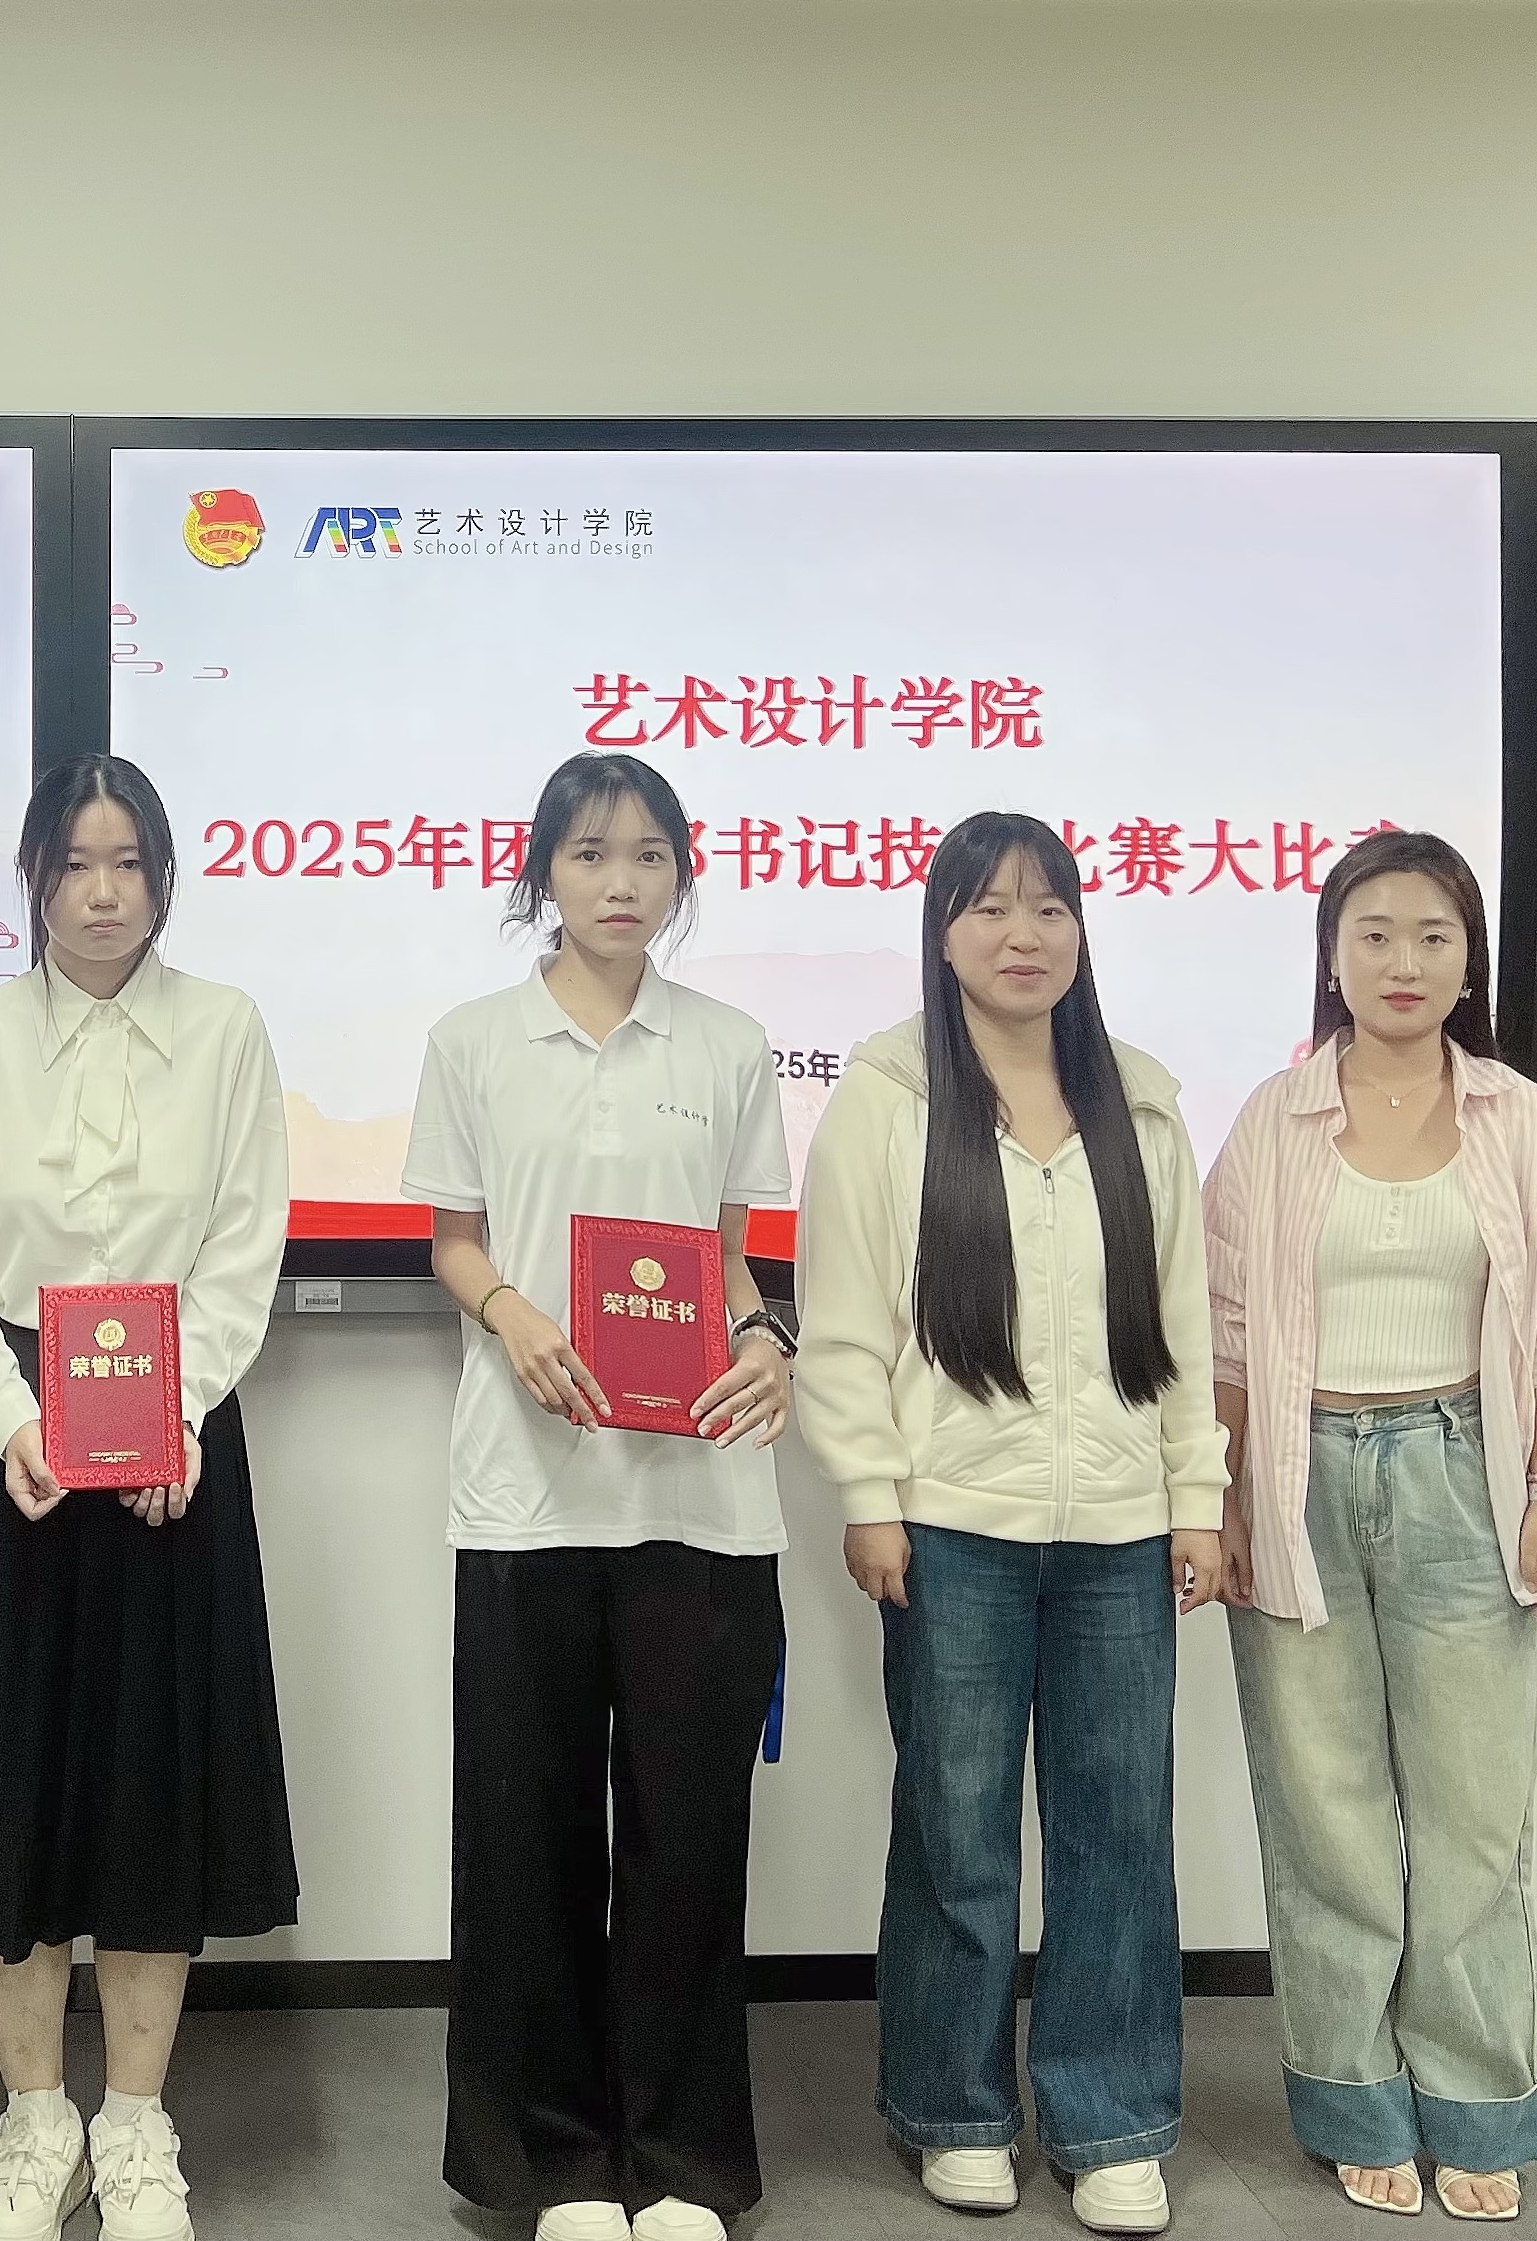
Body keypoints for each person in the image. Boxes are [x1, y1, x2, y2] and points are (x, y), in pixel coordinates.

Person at [0, 753, 296, 2241]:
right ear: (35, 882)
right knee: (11, 1781)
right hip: (8, 1454)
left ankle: (134, 2122)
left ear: (163, 878)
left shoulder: (226, 1029)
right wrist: (11, 1418)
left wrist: (176, 1413)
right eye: (73, 863)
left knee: (152, 1784)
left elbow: (245, 1239)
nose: (102, 892)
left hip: (174, 1446)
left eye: (128, 863)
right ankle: (32, 2116)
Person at [794, 810, 1226, 2238]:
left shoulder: (1141, 1103)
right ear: (942, 932)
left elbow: (1179, 1326)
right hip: (948, 1524)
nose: (1020, 935)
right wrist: (870, 1494)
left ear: (1082, 930)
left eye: (1048, 908)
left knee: (1118, 1831)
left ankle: (1110, 2118)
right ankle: (956, 2109)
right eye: (987, 908)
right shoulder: (886, 1093)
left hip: (1119, 1529)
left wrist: (1196, 1499)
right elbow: (844, 1322)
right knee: (955, 1827)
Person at [402, 753, 797, 2241]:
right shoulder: (473, 1040)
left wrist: (764, 1340)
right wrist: (510, 1314)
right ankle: (551, 2163)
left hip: (701, 1495)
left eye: (646, 854)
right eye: (587, 853)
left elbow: (731, 1256)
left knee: (689, 1837)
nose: (619, 881)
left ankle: (683, 2160)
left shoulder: (730, 1045)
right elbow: (452, 1239)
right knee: (527, 1838)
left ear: (680, 873)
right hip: (527, 1493)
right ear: (542, 874)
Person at [1206, 828, 1537, 2223]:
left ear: (1467, 959)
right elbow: (1228, 1335)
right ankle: (1353, 2097)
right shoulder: (1272, 1119)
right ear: (1331, 954)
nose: (1402, 962)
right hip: (1295, 1478)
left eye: (1433, 934)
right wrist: (1222, 1502)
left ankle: (1478, 2102)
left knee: (1474, 1819)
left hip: (1460, 1474)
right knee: (1324, 1820)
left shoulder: (1520, 1118)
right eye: (1372, 933)